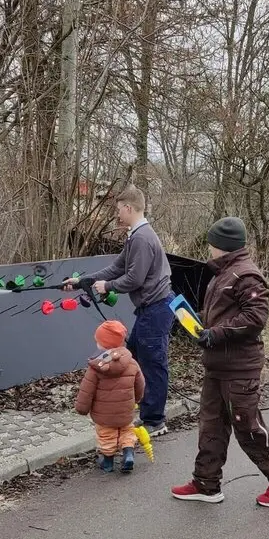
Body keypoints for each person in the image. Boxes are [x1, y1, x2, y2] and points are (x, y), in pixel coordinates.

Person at [171, 217, 269, 507]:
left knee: (248, 427)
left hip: (239, 369)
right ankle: (206, 483)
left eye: (211, 243)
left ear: (221, 245)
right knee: (211, 425)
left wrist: (215, 334)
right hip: (217, 366)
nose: (208, 248)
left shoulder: (246, 275)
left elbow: (256, 318)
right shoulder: (222, 272)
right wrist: (200, 329)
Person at [65, 185, 173, 437]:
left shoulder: (143, 238)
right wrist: (84, 281)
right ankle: (135, 410)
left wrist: (108, 287)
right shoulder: (135, 236)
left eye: (118, 210)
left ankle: (155, 420)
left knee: (153, 365)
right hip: (149, 310)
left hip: (156, 309)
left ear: (128, 208)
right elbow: (116, 268)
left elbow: (134, 279)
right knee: (131, 356)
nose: (117, 215)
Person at [74, 320, 146, 473]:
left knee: (106, 435)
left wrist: (81, 408)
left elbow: (87, 390)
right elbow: (140, 384)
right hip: (126, 410)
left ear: (102, 345)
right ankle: (128, 453)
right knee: (127, 430)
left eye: (98, 341)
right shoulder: (131, 363)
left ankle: (107, 462)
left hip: (104, 414)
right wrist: (138, 399)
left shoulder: (95, 368)